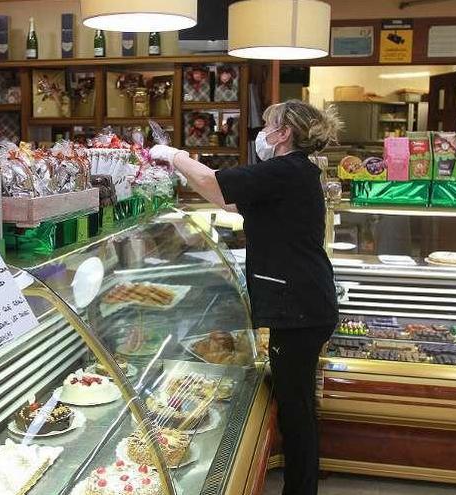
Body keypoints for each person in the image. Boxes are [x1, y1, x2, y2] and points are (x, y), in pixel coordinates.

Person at [150, 99, 340, 495]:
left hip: (300, 309)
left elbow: (215, 184)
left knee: (297, 409)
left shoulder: (286, 169)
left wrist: (174, 155)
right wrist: (189, 173)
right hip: (303, 303)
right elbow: (228, 200)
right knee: (297, 402)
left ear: (284, 132)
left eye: (269, 125)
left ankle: (300, 489)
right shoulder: (291, 172)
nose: (262, 134)